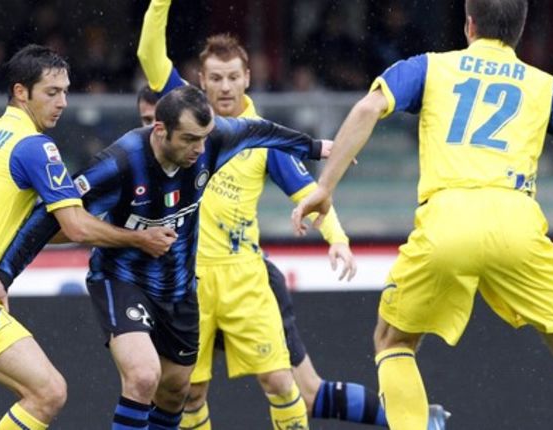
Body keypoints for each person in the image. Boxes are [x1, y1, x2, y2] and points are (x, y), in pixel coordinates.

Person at [291, 0, 553, 428]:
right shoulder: (544, 86)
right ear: (519, 31)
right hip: (517, 224)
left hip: (447, 221)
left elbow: (367, 109)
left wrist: (325, 187)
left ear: (469, 25)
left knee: (392, 340)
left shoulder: (430, 67)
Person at [137, 2, 449, 429]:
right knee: (190, 391)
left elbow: (311, 195)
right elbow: (149, 53)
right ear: (201, 81)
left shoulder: (263, 138)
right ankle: (413, 419)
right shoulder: (186, 115)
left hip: (245, 278)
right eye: (216, 78)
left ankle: (412, 419)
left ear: (248, 78)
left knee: (285, 385)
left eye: (233, 77)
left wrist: (338, 238)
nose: (225, 87)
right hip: (188, 280)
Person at [0, 85, 330, 430]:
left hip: (179, 288)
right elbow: (51, 215)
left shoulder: (212, 140)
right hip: (122, 278)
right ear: (160, 130)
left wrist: (313, 148)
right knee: (144, 376)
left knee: (176, 391)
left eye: (203, 138)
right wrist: (4, 274)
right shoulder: (120, 163)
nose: (199, 149)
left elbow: (260, 130)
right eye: (189, 139)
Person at [0, 45, 173, 430]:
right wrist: (138, 238)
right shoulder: (36, 146)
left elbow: (30, 227)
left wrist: (1, 272)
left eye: (65, 92)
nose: (62, 103)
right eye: (51, 92)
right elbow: (75, 226)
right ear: (21, 92)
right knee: (48, 392)